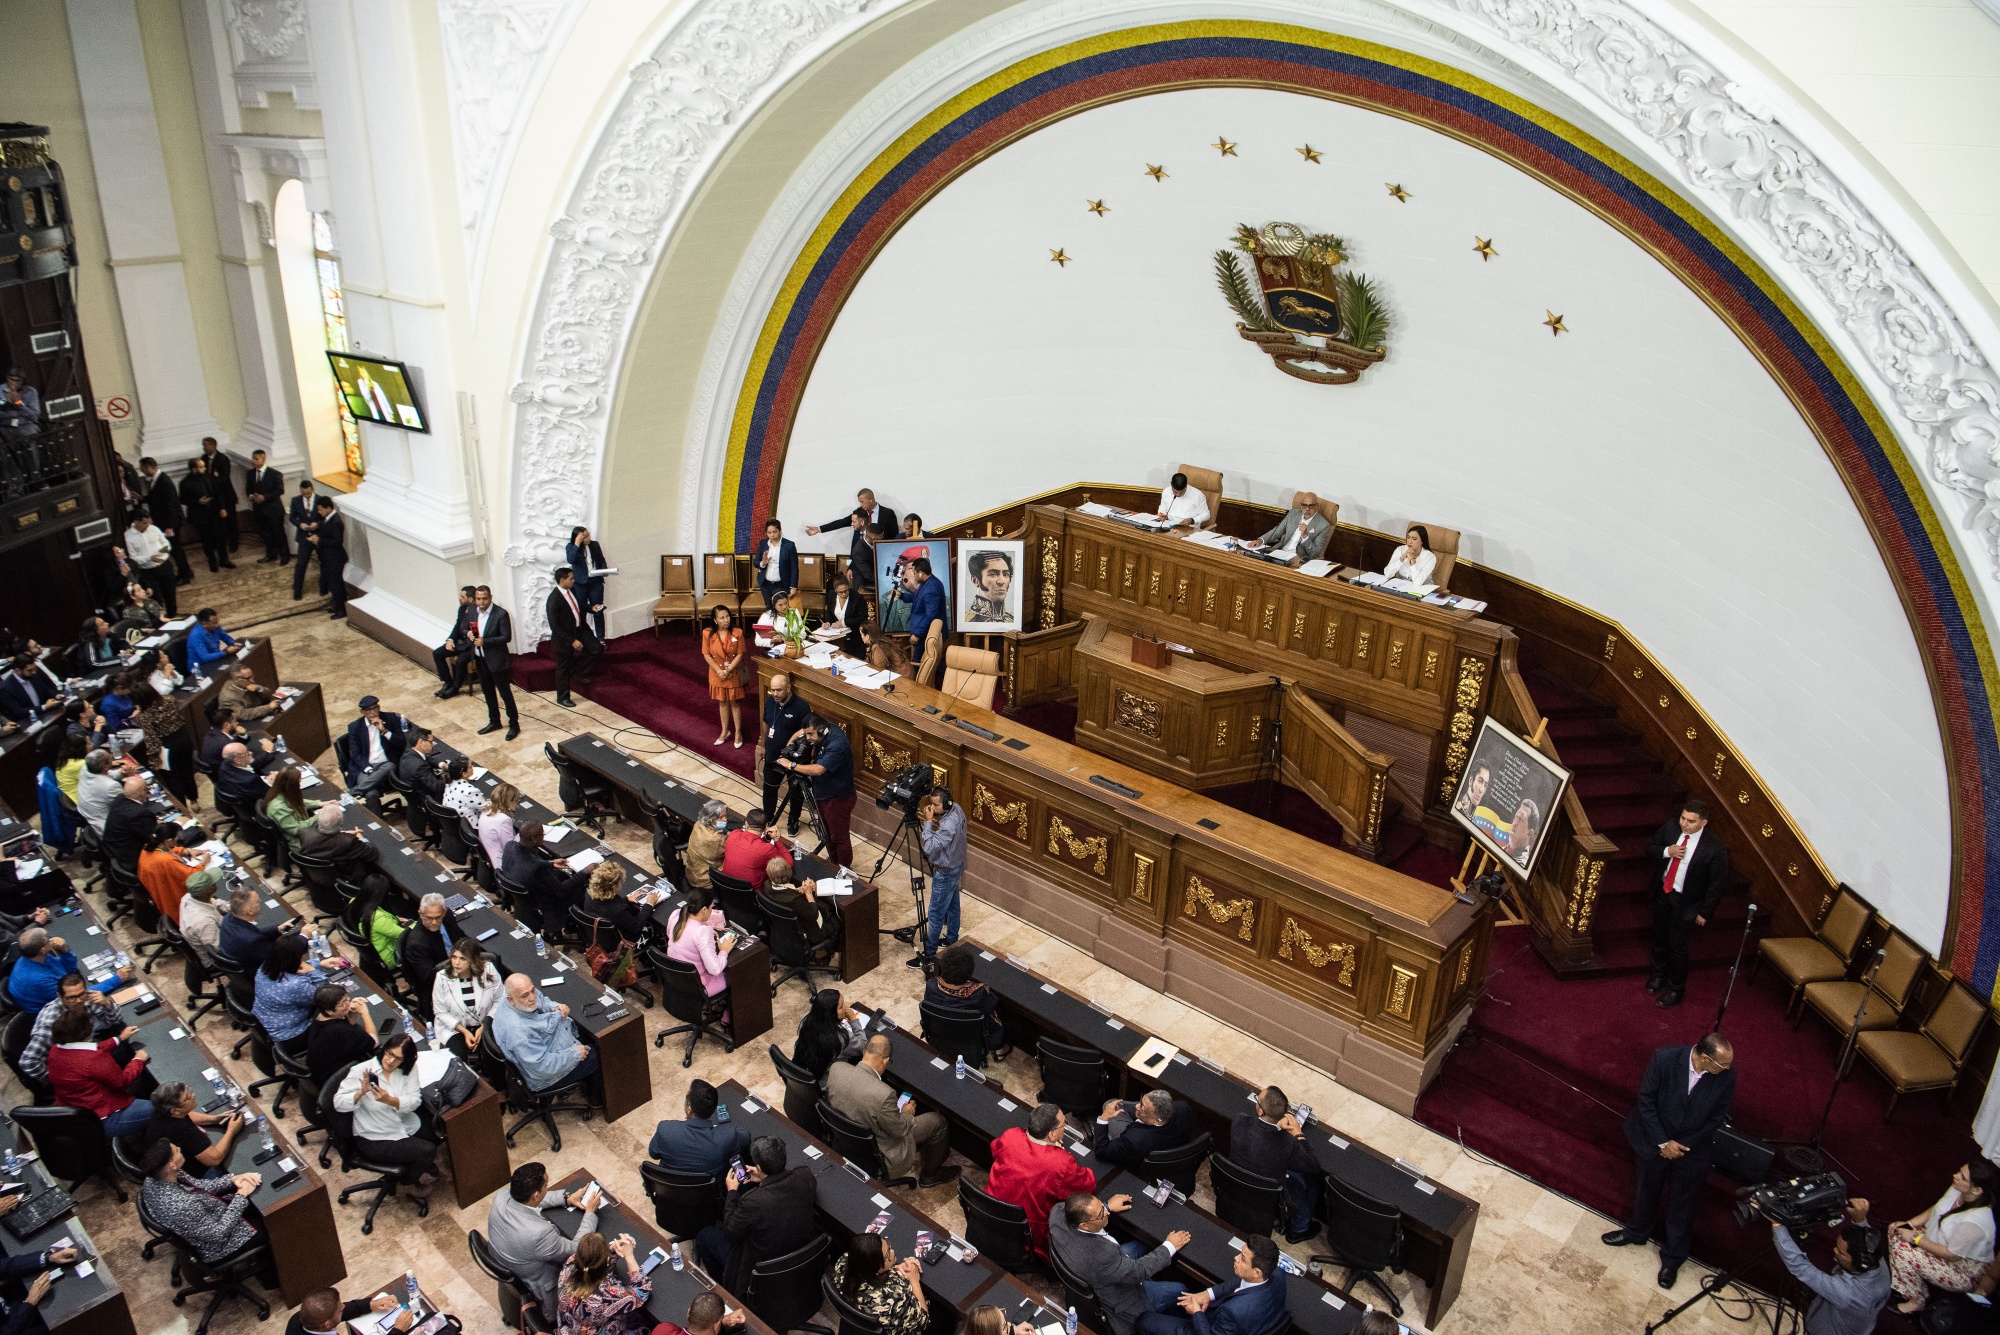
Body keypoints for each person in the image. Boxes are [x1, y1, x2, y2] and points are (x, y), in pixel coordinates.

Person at [1602, 1033, 1738, 1288]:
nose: (1728, 1068)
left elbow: (1717, 1118)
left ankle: (1673, 1257)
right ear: (1704, 1057)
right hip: (1654, 1141)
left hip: (1691, 1149)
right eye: (1723, 1064)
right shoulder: (1664, 1058)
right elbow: (1646, 1100)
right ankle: (1637, 1232)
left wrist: (1682, 1146)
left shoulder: (1726, 1076)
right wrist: (1664, 1142)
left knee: (1682, 1205)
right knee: (1646, 1190)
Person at [1049, 1191, 1191, 1335]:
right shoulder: (1102, 1256)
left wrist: (1107, 1206)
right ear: (1084, 1226)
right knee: (1180, 1289)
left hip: (1104, 1268)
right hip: (1124, 1300)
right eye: (1100, 1214)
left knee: (1142, 1244)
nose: (1105, 1213)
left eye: (1101, 1207)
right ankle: (1172, 1326)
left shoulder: (1058, 1213)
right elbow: (1139, 1272)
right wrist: (1170, 1246)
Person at [825, 1033, 957, 1187]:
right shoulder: (883, 1094)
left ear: (864, 1052)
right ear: (885, 1060)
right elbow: (899, 1130)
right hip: (884, 1151)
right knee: (938, 1121)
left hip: (846, 1140)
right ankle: (930, 1176)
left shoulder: (836, 1068)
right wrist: (907, 1114)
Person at [489, 1164, 604, 1327]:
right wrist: (590, 1213)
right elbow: (578, 1249)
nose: (547, 1188)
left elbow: (527, 1203)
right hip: (542, 1286)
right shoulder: (539, 1234)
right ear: (536, 1195)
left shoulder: (501, 1197)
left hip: (512, 1263)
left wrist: (566, 1198)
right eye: (546, 1186)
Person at [1644, 801, 1729, 1009]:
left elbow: (1716, 884)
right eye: (1683, 818)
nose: (1685, 824)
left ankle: (1676, 988)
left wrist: (1705, 912)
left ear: (1704, 822)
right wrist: (1667, 851)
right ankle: (1658, 975)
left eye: (1691, 821)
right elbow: (1649, 847)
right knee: (1659, 937)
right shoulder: (1671, 827)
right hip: (1664, 892)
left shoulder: (1714, 848)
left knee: (1677, 947)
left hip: (1687, 903)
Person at [1769, 1197, 1892, 1335]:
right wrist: (1860, 1220)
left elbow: (1799, 1266)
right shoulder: (1877, 1263)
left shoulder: (1846, 1293)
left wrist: (1777, 1224)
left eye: (1841, 1252)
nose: (1834, 1251)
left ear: (1860, 1262)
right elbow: (1867, 1242)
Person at [333, 1033, 441, 1188]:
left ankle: (414, 1163)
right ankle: (405, 1181)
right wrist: (360, 1093)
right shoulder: (361, 1070)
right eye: (389, 1054)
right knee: (428, 1151)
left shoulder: (409, 1069)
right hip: (374, 1137)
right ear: (384, 1049)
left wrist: (391, 1101)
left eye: (398, 1059)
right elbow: (338, 1103)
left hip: (402, 1122)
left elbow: (415, 1100)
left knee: (437, 1132)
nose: (391, 1061)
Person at [1887, 1161, 1999, 1311]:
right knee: (1896, 1230)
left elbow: (1952, 1255)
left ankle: (1916, 1301)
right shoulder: (1960, 1190)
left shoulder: (1976, 1222)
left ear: (1977, 1190)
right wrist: (1909, 1224)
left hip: (1962, 1268)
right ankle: (1915, 1285)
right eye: (1959, 1172)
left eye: (1963, 1177)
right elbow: (1937, 1208)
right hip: (1940, 1242)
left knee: (1901, 1251)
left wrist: (1915, 1239)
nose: (1955, 1176)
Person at [989, 1103, 1096, 1258]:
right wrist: (1059, 1152)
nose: (1064, 1128)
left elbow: (995, 1149)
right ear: (1052, 1135)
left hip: (992, 1210)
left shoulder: (1011, 1135)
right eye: (1063, 1125)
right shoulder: (1060, 1163)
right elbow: (1088, 1184)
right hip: (1028, 1230)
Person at [135, 1140, 262, 1263]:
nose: (180, 1149)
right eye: (176, 1151)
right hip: (219, 1247)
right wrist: (241, 1196)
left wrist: (232, 1179)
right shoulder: (183, 1206)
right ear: (172, 1165)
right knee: (269, 1223)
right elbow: (218, 1235)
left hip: (209, 1216)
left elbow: (201, 1187)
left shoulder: (158, 1177)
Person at [1136, 1234, 1285, 1335]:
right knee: (1179, 1297)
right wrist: (1208, 1294)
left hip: (1209, 1327)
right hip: (1233, 1322)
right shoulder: (1277, 1273)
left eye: (1243, 1259)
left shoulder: (1234, 1311)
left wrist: (1196, 1313)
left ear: (1257, 1272)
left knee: (1145, 1321)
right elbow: (1241, 1281)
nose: (1236, 1258)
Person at [1229, 1085, 1322, 1242]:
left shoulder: (1239, 1122)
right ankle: (1298, 1230)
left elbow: (1260, 1138)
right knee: (1311, 1180)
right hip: (1268, 1200)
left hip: (1236, 1186)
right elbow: (1313, 1166)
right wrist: (1298, 1134)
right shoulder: (1288, 1144)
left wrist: (1274, 1127)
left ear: (1260, 1111)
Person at [46, 1005, 154, 1137]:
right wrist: (137, 1060)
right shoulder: (94, 1059)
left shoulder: (55, 1050)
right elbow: (122, 1082)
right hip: (104, 1118)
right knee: (161, 1108)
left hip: (76, 1111)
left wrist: (118, 1039)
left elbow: (90, 1049)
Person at [490, 974, 598, 1098]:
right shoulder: (519, 1033)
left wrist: (555, 1007)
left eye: (532, 991)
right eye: (525, 995)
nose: (532, 997)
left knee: (587, 1034)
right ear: (510, 999)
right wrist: (574, 1054)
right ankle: (596, 1100)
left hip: (544, 1048)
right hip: (544, 1077)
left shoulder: (513, 996)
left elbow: (540, 999)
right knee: (598, 1053)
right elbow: (542, 1067)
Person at [18, 970, 125, 1086]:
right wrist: (61, 1080)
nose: (79, 1001)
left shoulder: (86, 999)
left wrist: (107, 1004)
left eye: (82, 994)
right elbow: (27, 1062)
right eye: (72, 998)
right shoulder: (50, 1024)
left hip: (87, 1049)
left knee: (123, 1050)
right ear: (60, 996)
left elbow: (114, 1021)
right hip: (72, 1067)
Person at [778, 714, 854, 868]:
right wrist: (790, 746)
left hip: (837, 797)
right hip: (822, 793)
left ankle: (844, 869)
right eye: (807, 734)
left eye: (811, 734)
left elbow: (819, 770)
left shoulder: (837, 744)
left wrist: (791, 765)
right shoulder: (822, 727)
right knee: (827, 834)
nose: (807, 738)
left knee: (838, 836)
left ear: (821, 729)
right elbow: (800, 732)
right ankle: (834, 864)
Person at [134, 1082, 244, 1177]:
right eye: (188, 1097)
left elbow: (187, 1113)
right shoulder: (182, 1129)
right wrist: (231, 1131)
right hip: (195, 1176)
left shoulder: (162, 1111)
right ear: (175, 1111)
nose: (193, 1095)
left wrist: (213, 1119)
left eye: (190, 1091)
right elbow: (214, 1159)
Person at [830, 1233, 929, 1335]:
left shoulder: (843, 1262)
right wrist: (914, 1280)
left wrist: (895, 1269)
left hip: (856, 1319)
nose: (892, 1252)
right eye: (887, 1255)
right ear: (876, 1268)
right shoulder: (895, 1295)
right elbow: (923, 1322)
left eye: (888, 1246)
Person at [8, 927, 129, 1010]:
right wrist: (117, 979)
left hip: (65, 996)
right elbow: (77, 996)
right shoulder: (38, 980)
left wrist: (65, 950)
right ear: (43, 949)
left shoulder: (38, 957)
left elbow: (69, 972)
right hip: (58, 1014)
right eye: (48, 939)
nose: (52, 939)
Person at [503, 822, 593, 932]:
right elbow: (561, 891)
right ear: (534, 838)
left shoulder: (509, 846)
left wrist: (550, 863)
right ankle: (580, 929)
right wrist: (584, 871)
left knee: (562, 875)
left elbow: (526, 862)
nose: (544, 838)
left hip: (524, 901)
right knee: (583, 887)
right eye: (542, 835)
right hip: (547, 905)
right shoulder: (538, 869)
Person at [557, 1231, 652, 1335]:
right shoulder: (605, 1296)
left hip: (568, 1328)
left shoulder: (570, 1264)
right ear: (607, 1260)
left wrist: (611, 1248)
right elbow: (642, 1291)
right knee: (644, 1324)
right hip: (598, 1330)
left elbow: (592, 1264)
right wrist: (629, 1255)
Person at [648, 1079, 750, 1174]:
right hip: (707, 1191)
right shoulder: (727, 1136)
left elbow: (653, 1154)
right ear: (713, 1109)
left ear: (689, 1109)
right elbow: (746, 1136)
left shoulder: (666, 1129)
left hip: (670, 1188)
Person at [924, 945, 1007, 1058]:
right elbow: (992, 1002)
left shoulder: (931, 986)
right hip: (969, 1037)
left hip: (940, 1032)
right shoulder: (977, 995)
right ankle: (999, 1050)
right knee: (995, 1016)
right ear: (969, 974)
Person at [300, 804, 393, 905]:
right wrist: (361, 838)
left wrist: (343, 834)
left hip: (323, 883)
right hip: (348, 881)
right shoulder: (348, 842)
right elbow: (372, 854)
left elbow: (327, 841)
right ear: (341, 824)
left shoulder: (306, 834)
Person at [254, 933, 326, 1056]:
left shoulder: (264, 968)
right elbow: (324, 995)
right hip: (290, 1037)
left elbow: (295, 968)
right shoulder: (295, 985)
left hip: (265, 1024)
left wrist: (319, 964)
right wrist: (314, 971)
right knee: (331, 1011)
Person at [916, 791, 965, 966]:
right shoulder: (957, 809)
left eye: (936, 805)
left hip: (945, 872)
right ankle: (952, 939)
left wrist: (928, 822)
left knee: (936, 913)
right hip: (956, 866)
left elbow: (929, 847)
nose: (932, 807)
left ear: (947, 804)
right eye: (932, 803)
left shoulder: (948, 826)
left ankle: (929, 955)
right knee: (953, 905)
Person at [664, 891, 736, 1010]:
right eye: (711, 908)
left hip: (677, 979)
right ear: (703, 909)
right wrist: (724, 951)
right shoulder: (701, 932)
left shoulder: (676, 915)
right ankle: (726, 1018)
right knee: (737, 975)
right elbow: (715, 969)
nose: (711, 911)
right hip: (698, 986)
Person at [433, 939, 503, 1060]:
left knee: (493, 1054)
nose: (456, 963)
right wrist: (464, 1031)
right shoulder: (442, 977)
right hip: (455, 1028)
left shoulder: (489, 970)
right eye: (454, 957)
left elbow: (500, 1000)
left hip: (486, 1022)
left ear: (473, 960)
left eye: (462, 959)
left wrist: (484, 1026)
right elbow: (440, 1012)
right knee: (456, 1059)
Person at [807, 488, 898, 577]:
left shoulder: (888, 513)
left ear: (870, 499)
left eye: (862, 502)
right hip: (861, 560)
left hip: (881, 559)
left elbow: (894, 537)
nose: (860, 504)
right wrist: (819, 529)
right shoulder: (860, 513)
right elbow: (841, 522)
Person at [760, 673, 810, 834]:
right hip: (773, 755)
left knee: (795, 791)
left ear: (788, 688)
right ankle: (768, 818)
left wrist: (791, 746)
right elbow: (766, 722)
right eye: (773, 690)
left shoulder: (801, 706)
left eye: (779, 690)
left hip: (794, 758)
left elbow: (806, 731)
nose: (775, 694)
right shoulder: (769, 701)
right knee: (769, 788)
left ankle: (793, 819)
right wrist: (763, 744)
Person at [545, 565, 601, 708]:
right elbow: (555, 626)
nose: (573, 581)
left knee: (596, 648)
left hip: (579, 630)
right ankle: (563, 697)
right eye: (571, 578)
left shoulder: (572, 590)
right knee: (562, 668)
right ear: (562, 580)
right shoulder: (554, 599)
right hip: (564, 637)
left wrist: (591, 608)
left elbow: (579, 605)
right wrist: (572, 641)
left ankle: (578, 673)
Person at [468, 585, 520, 738]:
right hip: (480, 659)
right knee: (488, 692)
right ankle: (494, 721)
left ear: (490, 597)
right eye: (479, 599)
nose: (482, 602)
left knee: (505, 693)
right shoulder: (472, 611)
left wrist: (485, 641)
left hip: (497, 660)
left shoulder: (500, 614)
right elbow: (464, 628)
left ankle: (514, 724)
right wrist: (469, 634)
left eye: (484, 598)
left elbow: (506, 637)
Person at [341, 695, 408, 812]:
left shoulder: (391, 718)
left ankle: (352, 793)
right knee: (371, 793)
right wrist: (369, 770)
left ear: (379, 707)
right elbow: (355, 754)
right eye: (368, 710)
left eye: (374, 708)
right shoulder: (355, 727)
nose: (372, 712)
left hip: (386, 765)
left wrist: (384, 730)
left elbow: (401, 743)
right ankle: (380, 825)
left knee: (390, 766)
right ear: (362, 712)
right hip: (366, 767)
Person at [306, 982, 379, 1088]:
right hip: (333, 1080)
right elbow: (374, 1042)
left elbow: (350, 1024)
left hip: (319, 1070)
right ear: (330, 1011)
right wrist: (364, 1013)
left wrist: (350, 1011)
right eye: (342, 1004)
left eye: (347, 999)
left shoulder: (320, 1013)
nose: (347, 1004)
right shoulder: (339, 1030)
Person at [1095, 1089, 1195, 1166]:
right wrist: (1144, 1110)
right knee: (1116, 1104)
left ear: (1157, 1120)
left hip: (1140, 1141)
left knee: (1109, 1105)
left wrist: (1103, 1119)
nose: (1137, 1106)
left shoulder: (1133, 1140)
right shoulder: (1183, 1107)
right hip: (1163, 1138)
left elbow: (1102, 1151)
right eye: (1141, 1101)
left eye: (1143, 1107)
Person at [140, 455, 194, 584]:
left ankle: (185, 576)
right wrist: (142, 498)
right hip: (166, 523)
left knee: (175, 549)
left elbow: (171, 505)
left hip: (170, 523)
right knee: (174, 549)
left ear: (148, 467)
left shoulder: (164, 481)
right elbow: (157, 498)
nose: (142, 471)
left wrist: (169, 526)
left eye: (143, 468)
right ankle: (186, 572)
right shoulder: (156, 480)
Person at [762, 859, 835, 953]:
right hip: (810, 933)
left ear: (768, 873)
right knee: (835, 921)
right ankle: (831, 952)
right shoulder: (795, 901)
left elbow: (783, 892)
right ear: (789, 872)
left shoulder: (767, 886)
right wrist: (808, 893)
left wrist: (797, 890)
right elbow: (813, 915)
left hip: (783, 930)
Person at [138, 824, 206, 922]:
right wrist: (204, 862)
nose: (178, 839)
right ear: (169, 840)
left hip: (158, 896)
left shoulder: (146, 849)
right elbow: (192, 876)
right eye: (176, 837)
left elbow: (165, 851)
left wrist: (184, 850)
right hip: (174, 905)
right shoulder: (166, 861)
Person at [399, 893, 457, 1000]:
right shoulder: (417, 944)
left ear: (443, 912)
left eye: (438, 917)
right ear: (420, 914)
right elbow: (430, 977)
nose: (434, 922)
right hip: (440, 985)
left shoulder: (447, 916)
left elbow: (458, 937)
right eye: (429, 918)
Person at [703, 606, 746, 747]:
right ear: (715, 620)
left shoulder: (737, 632)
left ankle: (738, 733)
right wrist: (719, 671)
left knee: (734, 702)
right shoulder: (707, 633)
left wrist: (728, 670)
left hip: (733, 672)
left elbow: (740, 654)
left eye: (727, 616)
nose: (726, 620)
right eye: (721, 618)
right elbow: (706, 655)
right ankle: (725, 731)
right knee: (722, 702)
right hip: (717, 673)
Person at [287, 1287, 412, 1335]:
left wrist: (370, 1305)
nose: (343, 1307)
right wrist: (398, 1330)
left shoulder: (300, 1319)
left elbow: (338, 1311)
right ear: (327, 1324)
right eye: (339, 1309)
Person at [179, 458, 232, 572]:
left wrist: (222, 508)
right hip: (200, 516)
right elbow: (183, 499)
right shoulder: (185, 483)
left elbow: (218, 493)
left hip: (214, 513)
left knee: (220, 538)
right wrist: (197, 501)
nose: (204, 468)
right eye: (201, 467)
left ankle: (224, 560)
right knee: (207, 540)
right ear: (194, 469)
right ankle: (212, 562)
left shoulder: (209, 477)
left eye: (204, 466)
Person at [1248, 492, 1330, 564]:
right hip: (1280, 552)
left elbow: (1314, 553)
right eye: (1304, 505)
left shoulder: (1323, 525)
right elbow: (1277, 531)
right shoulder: (1293, 513)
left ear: (1317, 506)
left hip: (1297, 559)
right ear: (1301, 506)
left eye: (1311, 506)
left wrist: (1305, 536)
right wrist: (1261, 540)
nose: (1307, 509)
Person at [100, 773, 158, 875]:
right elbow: (156, 837)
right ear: (142, 793)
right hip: (131, 859)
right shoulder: (140, 814)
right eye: (146, 789)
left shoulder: (119, 799)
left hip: (113, 850)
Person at [896, 557, 947, 671]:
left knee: (917, 663)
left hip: (925, 635)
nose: (913, 576)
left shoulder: (931, 589)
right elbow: (918, 598)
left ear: (920, 573)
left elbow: (930, 616)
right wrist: (903, 596)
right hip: (924, 632)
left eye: (914, 573)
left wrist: (917, 634)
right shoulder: (929, 582)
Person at [721, 808, 790, 890]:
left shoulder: (734, 834)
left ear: (746, 824)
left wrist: (766, 839)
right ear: (765, 827)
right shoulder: (767, 849)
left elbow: (751, 847)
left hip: (726, 888)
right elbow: (787, 865)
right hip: (751, 895)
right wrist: (776, 840)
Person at [123, 510, 176, 613]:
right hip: (147, 571)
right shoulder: (128, 536)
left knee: (170, 595)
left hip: (164, 566)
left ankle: (173, 616)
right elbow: (133, 558)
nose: (148, 525)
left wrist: (162, 553)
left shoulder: (154, 529)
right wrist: (149, 558)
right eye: (144, 523)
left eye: (149, 522)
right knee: (155, 599)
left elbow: (166, 545)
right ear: (136, 522)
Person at [395, 727, 444, 837]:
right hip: (427, 799)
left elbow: (426, 759)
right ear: (421, 742)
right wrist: (448, 775)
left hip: (415, 798)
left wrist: (440, 765)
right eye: (431, 742)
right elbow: (437, 787)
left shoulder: (408, 753)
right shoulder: (419, 766)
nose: (433, 745)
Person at [262, 765, 320, 854]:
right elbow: (296, 830)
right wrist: (319, 816)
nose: (300, 783)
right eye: (299, 781)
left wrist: (318, 803)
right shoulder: (278, 808)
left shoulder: (279, 793)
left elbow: (294, 801)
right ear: (291, 785)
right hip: (300, 844)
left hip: (306, 834)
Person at [565, 527, 610, 641]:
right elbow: (571, 559)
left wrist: (604, 570)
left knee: (598, 609)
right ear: (578, 537)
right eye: (585, 536)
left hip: (595, 582)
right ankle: (584, 638)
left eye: (588, 535)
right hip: (580, 583)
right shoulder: (571, 547)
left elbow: (601, 560)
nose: (589, 538)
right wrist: (576, 544)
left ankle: (600, 638)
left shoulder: (594, 545)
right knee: (582, 610)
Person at [243, 449, 288, 564]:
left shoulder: (274, 474)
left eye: (256, 458)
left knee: (278, 533)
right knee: (265, 533)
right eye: (253, 458)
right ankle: (271, 554)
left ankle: (284, 555)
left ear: (263, 459)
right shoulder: (250, 473)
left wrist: (265, 497)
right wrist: (252, 496)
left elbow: (279, 490)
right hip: (259, 510)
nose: (253, 461)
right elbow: (248, 489)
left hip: (273, 510)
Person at [433, 585, 478, 698]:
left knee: (461, 661)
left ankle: (455, 688)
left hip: (472, 645)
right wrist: (450, 640)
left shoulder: (477, 611)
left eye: (462, 596)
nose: (460, 598)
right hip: (460, 642)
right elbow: (457, 626)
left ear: (470, 599)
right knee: (438, 653)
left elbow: (476, 631)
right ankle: (448, 682)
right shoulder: (462, 609)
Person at [199, 436, 240, 554]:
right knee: (216, 522)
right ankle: (219, 543)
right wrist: (213, 477)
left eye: (206, 445)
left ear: (214, 445)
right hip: (213, 496)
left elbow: (224, 477)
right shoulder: (203, 458)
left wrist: (210, 478)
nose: (204, 448)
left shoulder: (223, 459)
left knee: (231, 521)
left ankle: (234, 543)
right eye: (203, 445)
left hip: (226, 496)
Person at [309, 495, 348, 617]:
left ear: (329, 508)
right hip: (328, 558)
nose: (319, 512)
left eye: (321, 510)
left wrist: (319, 541)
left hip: (335, 558)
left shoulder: (336, 522)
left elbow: (337, 541)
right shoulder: (326, 520)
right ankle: (337, 605)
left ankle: (341, 609)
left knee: (336, 584)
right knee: (332, 583)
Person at [752, 519, 799, 613]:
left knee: (784, 610)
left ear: (780, 531)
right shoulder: (763, 543)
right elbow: (756, 562)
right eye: (769, 533)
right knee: (770, 609)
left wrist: (793, 586)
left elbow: (794, 567)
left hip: (783, 584)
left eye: (774, 532)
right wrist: (763, 563)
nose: (772, 535)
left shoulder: (789, 545)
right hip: (766, 584)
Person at [655, 1289, 748, 1335]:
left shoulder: (662, 1329)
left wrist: (721, 1321)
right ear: (716, 1325)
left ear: (688, 1313)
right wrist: (720, 1322)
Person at [74, 750, 125, 834]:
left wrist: (121, 772)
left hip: (88, 817)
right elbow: (126, 806)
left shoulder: (86, 768)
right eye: (110, 758)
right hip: (105, 828)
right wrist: (133, 781)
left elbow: (105, 774)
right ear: (105, 766)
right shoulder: (111, 786)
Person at [683, 800, 727, 892]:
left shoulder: (698, 824)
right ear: (710, 819)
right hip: (705, 881)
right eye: (720, 817)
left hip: (691, 873)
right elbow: (728, 852)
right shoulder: (715, 839)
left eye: (725, 816)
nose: (725, 820)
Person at [964, 550, 1014, 624]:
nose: (1001, 581)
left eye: (1005, 574)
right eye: (993, 574)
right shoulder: (966, 620)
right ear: (975, 581)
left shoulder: (1013, 620)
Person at [185, 608, 239, 676]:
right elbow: (205, 657)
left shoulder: (215, 627)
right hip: (201, 668)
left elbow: (224, 636)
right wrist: (225, 652)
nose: (217, 625)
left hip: (215, 660)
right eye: (214, 623)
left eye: (217, 621)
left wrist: (233, 643)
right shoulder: (195, 636)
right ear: (204, 624)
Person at [480, 781, 522, 869]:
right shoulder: (503, 820)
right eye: (517, 800)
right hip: (502, 863)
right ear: (508, 802)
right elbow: (510, 847)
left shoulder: (486, 810)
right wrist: (523, 833)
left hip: (489, 854)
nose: (518, 805)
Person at [823, 575, 866, 657]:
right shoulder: (831, 595)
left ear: (848, 586)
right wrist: (827, 623)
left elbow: (862, 618)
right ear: (835, 590)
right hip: (836, 636)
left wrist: (843, 623)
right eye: (840, 592)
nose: (843, 594)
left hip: (854, 637)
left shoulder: (858, 598)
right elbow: (828, 612)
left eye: (846, 591)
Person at [215, 741, 269, 806]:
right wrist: (271, 781)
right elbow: (268, 795)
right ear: (237, 760)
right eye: (246, 753)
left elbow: (251, 765)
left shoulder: (224, 766)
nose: (250, 753)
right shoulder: (251, 780)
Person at [289, 480, 318, 600]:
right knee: (301, 564)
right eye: (303, 493)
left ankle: (324, 587)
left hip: (317, 537)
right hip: (304, 537)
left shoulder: (320, 500)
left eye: (308, 493)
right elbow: (292, 517)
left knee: (325, 562)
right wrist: (300, 524)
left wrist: (317, 524)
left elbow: (324, 518)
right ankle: (297, 589)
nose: (306, 495)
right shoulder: (295, 501)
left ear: (312, 489)